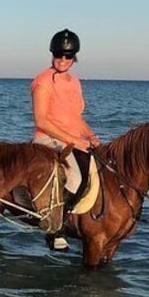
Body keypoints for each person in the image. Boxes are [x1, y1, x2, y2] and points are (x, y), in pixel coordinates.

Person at [30, 29, 100, 251]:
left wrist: (90, 136)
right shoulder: (43, 82)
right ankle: (55, 230)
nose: (62, 60)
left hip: (73, 140)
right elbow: (41, 120)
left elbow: (75, 117)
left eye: (67, 56)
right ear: (52, 55)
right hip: (49, 140)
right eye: (58, 55)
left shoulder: (74, 82)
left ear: (74, 58)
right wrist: (74, 141)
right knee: (74, 179)